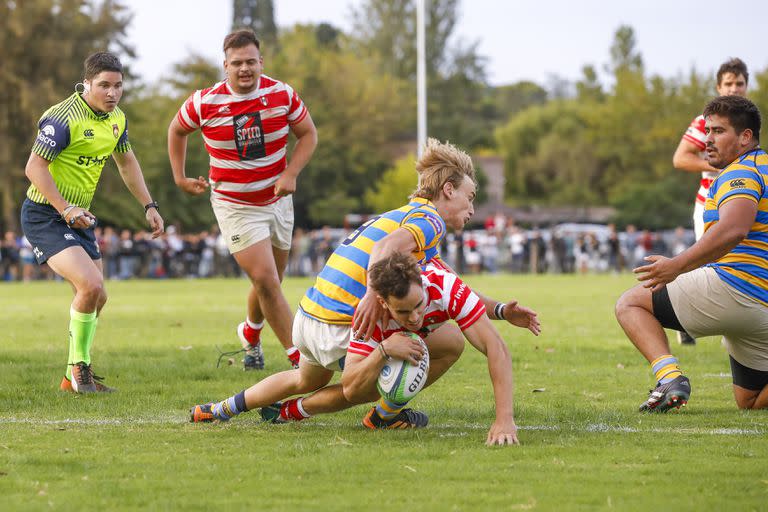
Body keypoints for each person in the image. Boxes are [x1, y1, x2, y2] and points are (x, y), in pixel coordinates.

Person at [193, 253, 539, 445]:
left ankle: (380, 416)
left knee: (451, 341)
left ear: (423, 285)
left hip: (314, 318)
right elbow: (352, 386)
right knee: (353, 387)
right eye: (403, 312)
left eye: (419, 306)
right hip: (321, 324)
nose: (416, 317)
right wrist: (384, 350)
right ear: (383, 304)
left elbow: (496, 347)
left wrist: (504, 419)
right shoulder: (370, 315)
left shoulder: (443, 286)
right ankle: (223, 409)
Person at [168, 29, 317, 370]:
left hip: (278, 201)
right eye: (237, 63)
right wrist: (179, 176)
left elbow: (308, 134)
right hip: (235, 205)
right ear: (225, 66)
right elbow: (176, 130)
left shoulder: (282, 95)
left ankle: (250, 333)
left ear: (261, 62)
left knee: (270, 282)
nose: (245, 69)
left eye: (251, 62)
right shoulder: (204, 102)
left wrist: (291, 172)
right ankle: (299, 360)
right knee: (265, 279)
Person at [20, 52, 164, 393]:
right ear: (86, 84)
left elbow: (127, 163)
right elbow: (34, 168)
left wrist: (149, 205)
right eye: (104, 86)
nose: (112, 93)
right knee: (91, 287)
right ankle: (79, 371)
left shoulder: (118, 120)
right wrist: (65, 207)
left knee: (97, 298)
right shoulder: (62, 118)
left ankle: (73, 377)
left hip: (79, 218)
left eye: (118, 86)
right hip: (45, 214)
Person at [616, 95, 768, 412]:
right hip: (760, 305)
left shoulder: (739, 173)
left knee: (630, 303)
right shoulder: (762, 167)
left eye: (717, 131)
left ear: (745, 137)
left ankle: (670, 378)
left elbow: (733, 229)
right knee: (751, 403)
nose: (707, 140)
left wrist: (677, 266)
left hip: (737, 288)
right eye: (707, 130)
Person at [672, 58, 749, 345]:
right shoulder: (705, 120)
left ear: (746, 86)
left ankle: (738, 327)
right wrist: (718, 165)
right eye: (728, 83)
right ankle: (682, 316)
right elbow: (680, 158)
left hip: (744, 203)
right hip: (710, 203)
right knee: (709, 260)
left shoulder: (750, 122)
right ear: (718, 87)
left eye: (739, 83)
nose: (734, 89)